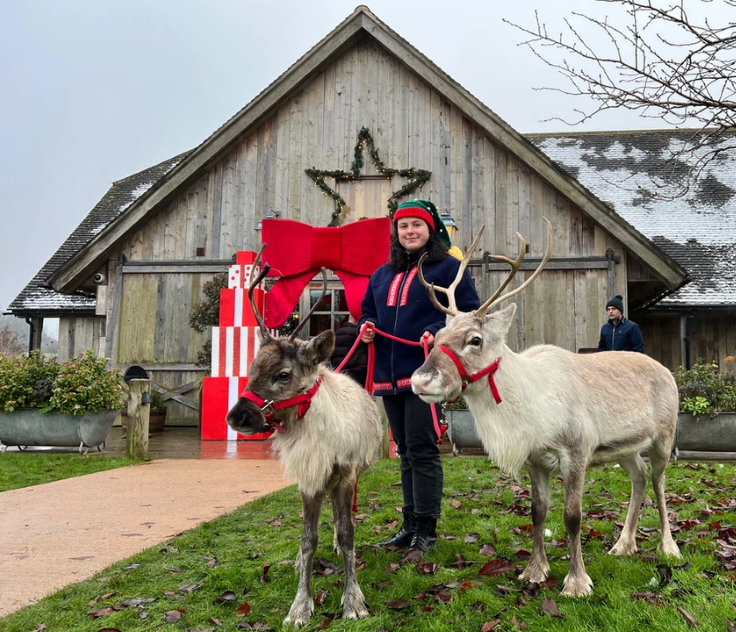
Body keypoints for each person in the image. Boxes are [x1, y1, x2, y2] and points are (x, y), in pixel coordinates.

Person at [359, 199, 480, 552]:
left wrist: (433, 330)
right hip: (389, 374)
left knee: (423, 450)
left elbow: (467, 314)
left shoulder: (449, 269)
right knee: (406, 452)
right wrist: (367, 327)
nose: (410, 231)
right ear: (396, 233)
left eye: (417, 225)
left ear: (430, 230)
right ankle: (409, 525)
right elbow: (369, 311)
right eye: (403, 226)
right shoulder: (382, 275)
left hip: (427, 373)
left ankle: (426, 530)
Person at [330, 315, 368, 386]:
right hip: (356, 371)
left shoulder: (336, 333)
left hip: (340, 370)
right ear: (356, 321)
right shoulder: (358, 334)